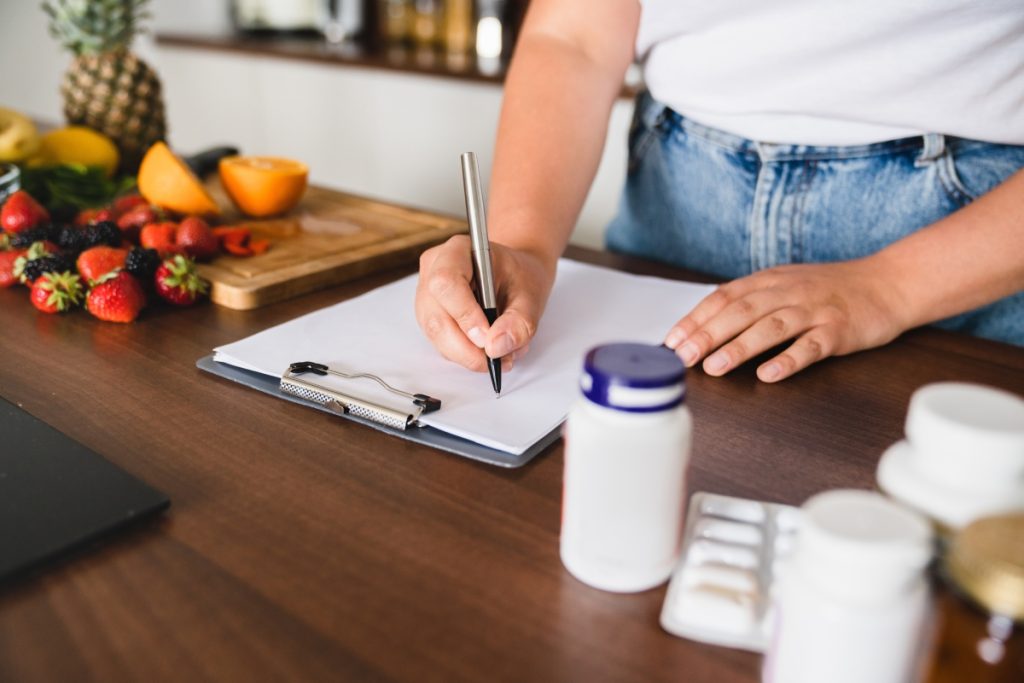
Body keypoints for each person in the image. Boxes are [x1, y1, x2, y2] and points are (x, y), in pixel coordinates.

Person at [416, 0, 1024, 382]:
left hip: (958, 251)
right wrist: (522, 247)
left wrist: (890, 288)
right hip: (677, 199)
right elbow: (572, 36)